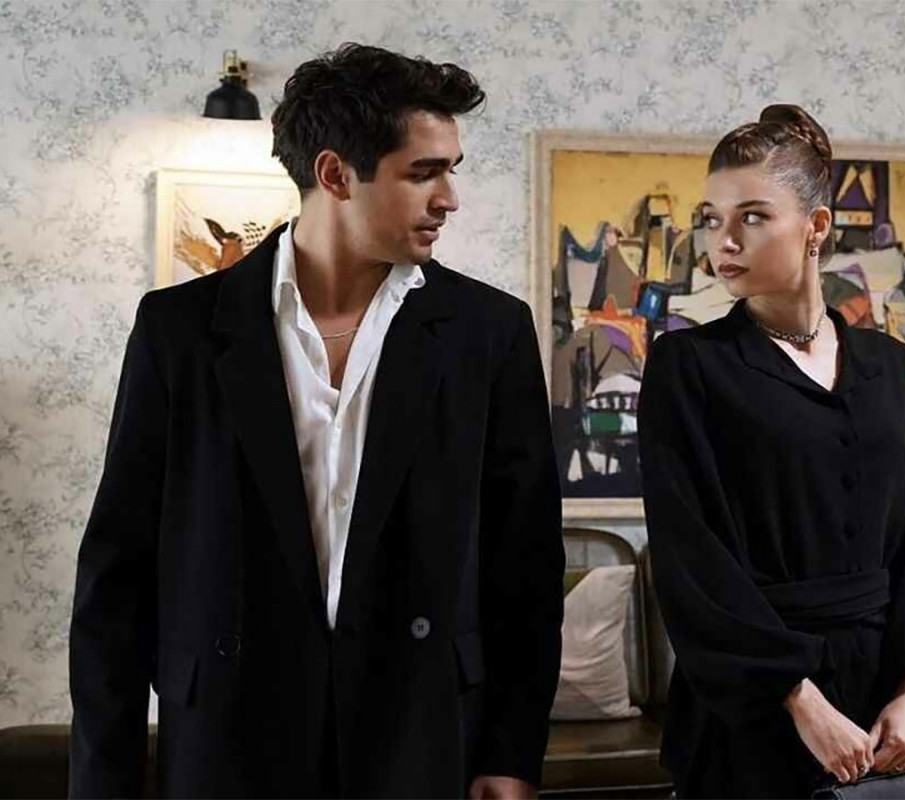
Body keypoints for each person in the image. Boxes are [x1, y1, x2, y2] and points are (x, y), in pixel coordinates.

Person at [69, 43, 564, 799]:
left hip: (423, 735)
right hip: (229, 741)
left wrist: (512, 753)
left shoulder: (488, 333)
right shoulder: (180, 330)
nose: (450, 198)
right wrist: (103, 783)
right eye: (424, 173)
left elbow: (523, 566)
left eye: (451, 170)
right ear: (335, 175)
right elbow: (118, 576)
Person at [637, 104, 905, 798]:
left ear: (816, 225)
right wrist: (799, 699)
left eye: (752, 217)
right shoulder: (687, 365)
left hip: (877, 709)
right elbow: (690, 560)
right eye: (711, 219)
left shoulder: (889, 364)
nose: (724, 241)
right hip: (750, 707)